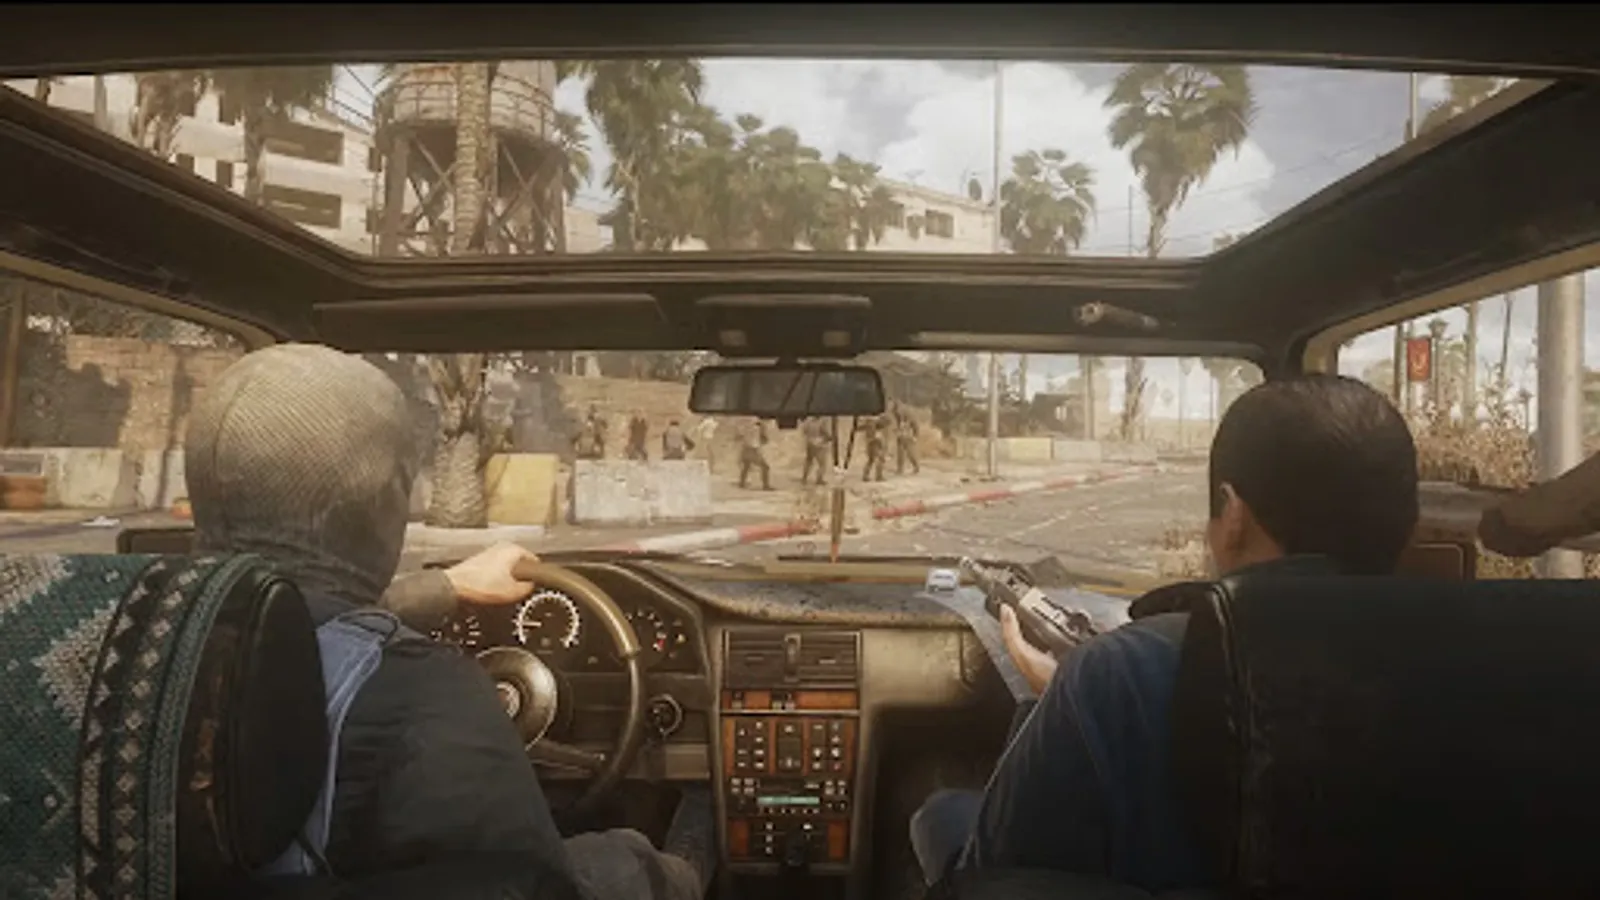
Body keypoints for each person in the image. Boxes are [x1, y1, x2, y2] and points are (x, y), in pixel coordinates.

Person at [186, 344, 712, 900]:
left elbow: (296, 620)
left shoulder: (138, 629)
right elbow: (533, 887)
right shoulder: (420, 694)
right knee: (639, 861)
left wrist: (444, 588)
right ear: (388, 499)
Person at [909, 374, 1420, 894]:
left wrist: (1069, 694)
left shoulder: (1121, 675)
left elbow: (1001, 880)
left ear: (1233, 515)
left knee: (941, 814)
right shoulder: (1465, 667)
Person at [738, 419, 772, 490]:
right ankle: (766, 486)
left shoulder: (750, 427)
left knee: (746, 466)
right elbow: (763, 440)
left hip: (745, 449)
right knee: (765, 467)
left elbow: (742, 437)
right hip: (752, 450)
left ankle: (741, 483)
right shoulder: (759, 428)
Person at [800, 417, 831, 486]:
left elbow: (804, 431)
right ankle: (819, 479)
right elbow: (825, 431)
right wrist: (829, 438)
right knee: (822, 464)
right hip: (819, 444)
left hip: (810, 443)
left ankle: (804, 477)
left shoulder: (808, 420)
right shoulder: (823, 420)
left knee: (809, 461)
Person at [894, 402, 921, 476]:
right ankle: (900, 469)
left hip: (908, 436)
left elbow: (916, 426)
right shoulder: (897, 416)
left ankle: (916, 467)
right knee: (900, 454)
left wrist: (915, 436)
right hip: (901, 436)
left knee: (910, 453)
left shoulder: (910, 416)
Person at [862, 415, 887, 482]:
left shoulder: (869, 424)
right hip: (874, 443)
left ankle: (865, 476)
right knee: (880, 459)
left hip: (871, 443)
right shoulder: (872, 424)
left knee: (871, 460)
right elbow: (874, 436)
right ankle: (878, 476)